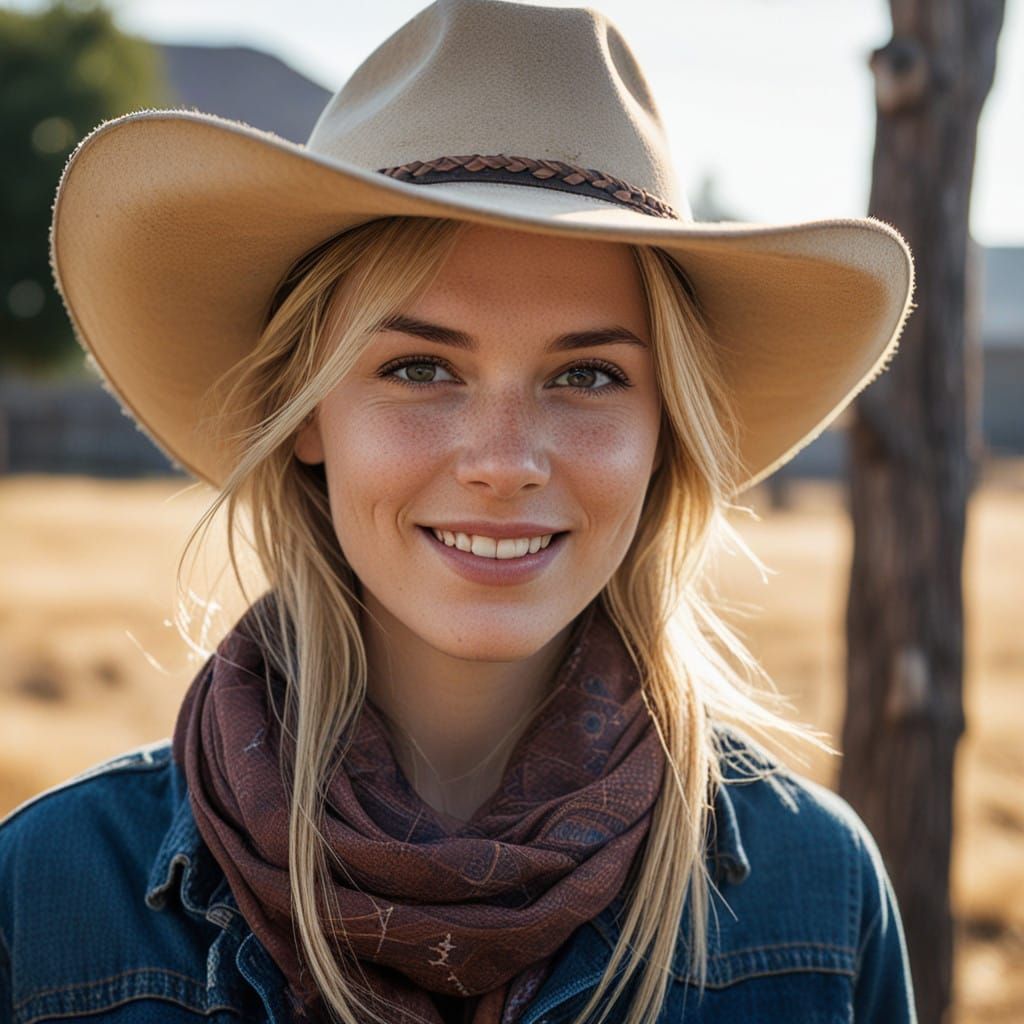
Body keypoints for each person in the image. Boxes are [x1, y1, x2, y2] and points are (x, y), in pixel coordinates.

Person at [0, 1, 919, 1022]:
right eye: (420, 366)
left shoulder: (815, 903)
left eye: (586, 375)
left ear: (667, 427)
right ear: (307, 414)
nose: (503, 462)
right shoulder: (49, 898)